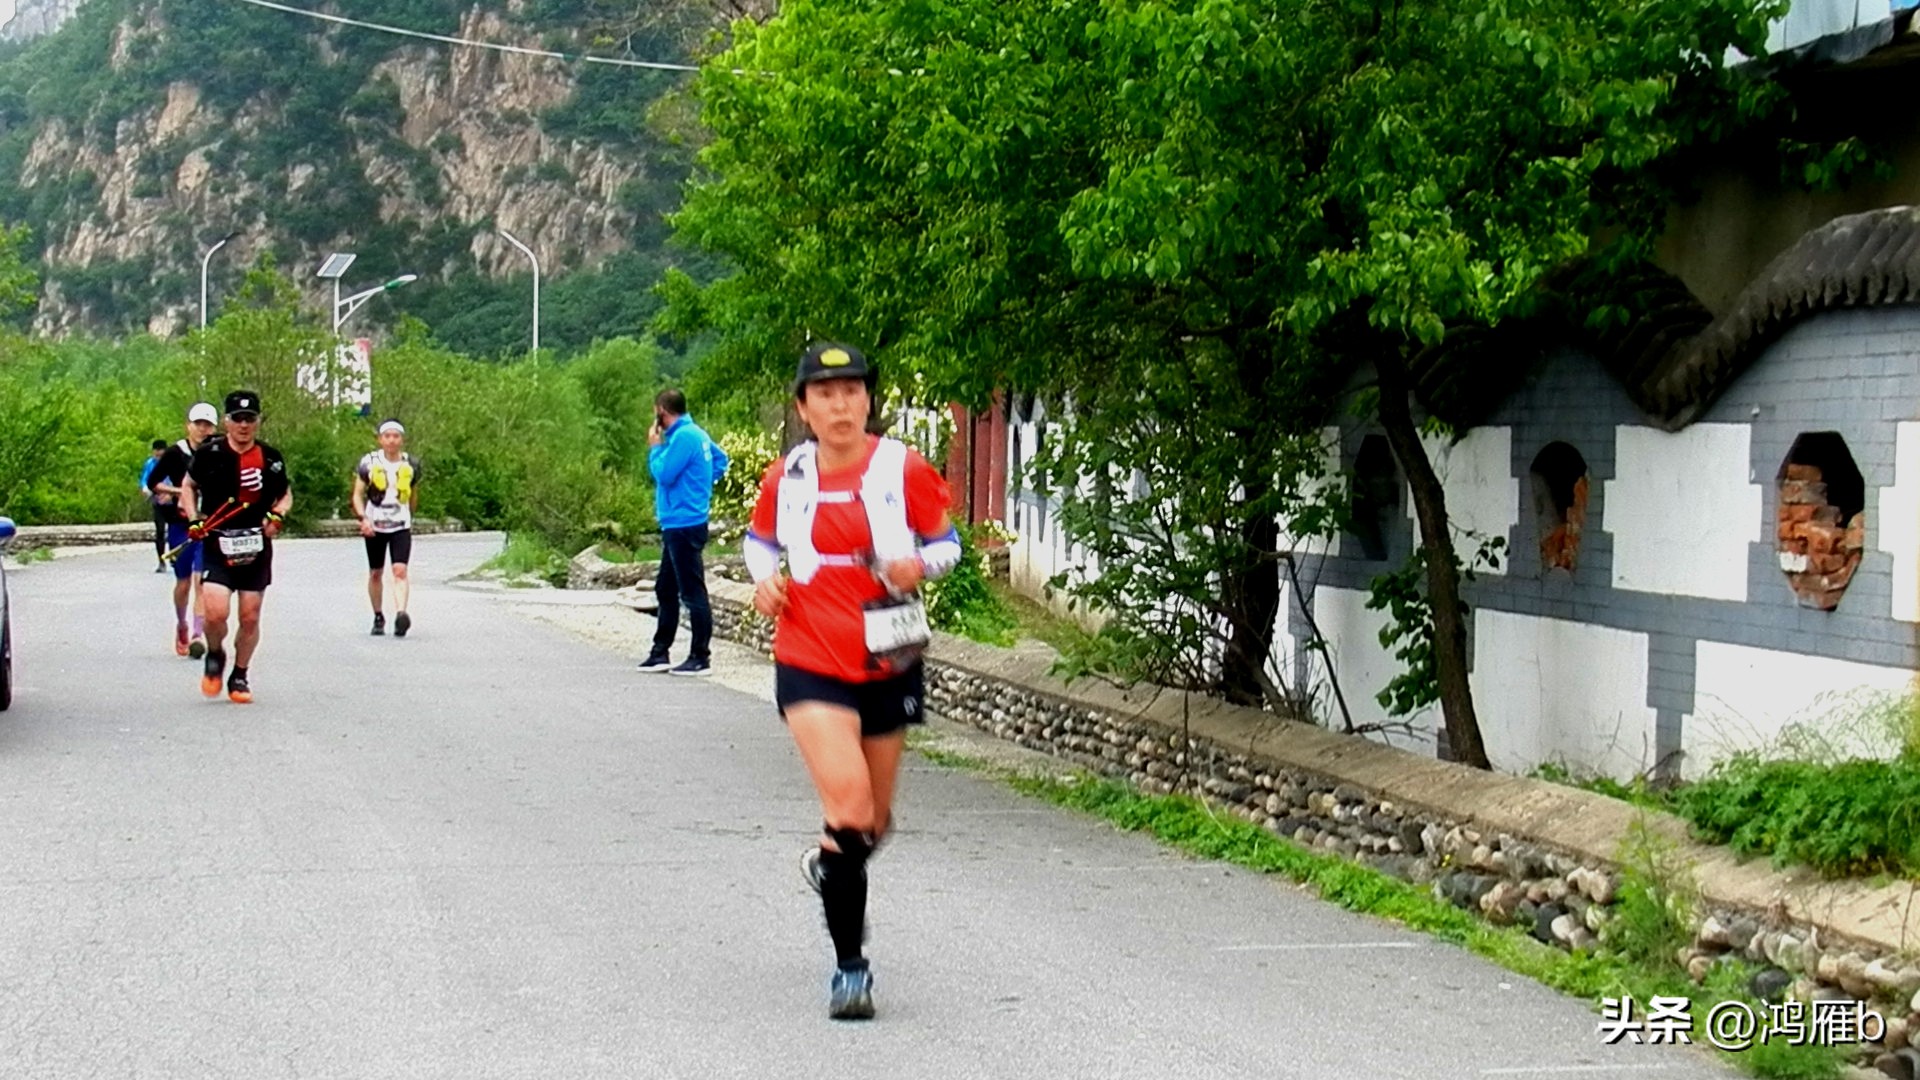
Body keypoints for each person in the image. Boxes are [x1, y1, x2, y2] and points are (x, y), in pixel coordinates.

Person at [743, 342, 963, 1020]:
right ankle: (850, 969)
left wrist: (917, 569)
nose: (840, 404)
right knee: (847, 807)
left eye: (852, 391)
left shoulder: (906, 469)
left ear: (869, 400)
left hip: (888, 655)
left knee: (871, 821)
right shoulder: (789, 475)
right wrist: (763, 582)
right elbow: (761, 542)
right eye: (824, 393)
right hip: (809, 652)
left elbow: (947, 544)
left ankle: (830, 865)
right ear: (805, 407)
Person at [179, 390, 292, 704]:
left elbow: (285, 495)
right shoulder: (209, 452)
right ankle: (215, 654)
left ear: (257, 421)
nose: (244, 425)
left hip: (255, 545)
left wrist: (277, 515)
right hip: (218, 542)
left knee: (250, 616)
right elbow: (188, 487)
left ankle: (240, 673)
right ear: (226, 421)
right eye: (237, 419)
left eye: (250, 419)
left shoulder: (270, 458)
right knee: (215, 613)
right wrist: (193, 518)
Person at [637, 388, 729, 676]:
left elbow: (664, 474)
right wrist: (700, 484)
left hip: (683, 522)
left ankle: (700, 656)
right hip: (679, 521)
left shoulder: (684, 438)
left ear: (662, 412)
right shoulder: (695, 435)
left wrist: (654, 447)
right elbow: (720, 460)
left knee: (692, 591)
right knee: (665, 588)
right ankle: (660, 651)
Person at [149, 403, 219, 658]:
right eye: (198, 424)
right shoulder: (175, 453)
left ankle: (197, 635)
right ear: (188, 425)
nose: (202, 429)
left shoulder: (219, 450)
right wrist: (181, 492)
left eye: (207, 425)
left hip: (209, 523)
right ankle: (182, 624)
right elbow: (152, 482)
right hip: (181, 524)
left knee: (202, 581)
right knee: (184, 581)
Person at [352, 419, 421, 638]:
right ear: (380, 439)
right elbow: (357, 494)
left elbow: (413, 494)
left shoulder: (411, 465)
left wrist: (410, 516)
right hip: (375, 524)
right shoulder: (369, 463)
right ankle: (378, 615)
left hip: (400, 524)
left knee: (400, 570)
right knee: (376, 573)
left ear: (402, 439)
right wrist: (363, 518)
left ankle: (401, 614)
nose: (392, 440)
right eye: (387, 436)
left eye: (396, 436)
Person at [142, 439, 168, 572]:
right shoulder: (149, 464)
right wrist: (146, 490)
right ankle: (161, 561)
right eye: (156, 452)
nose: (158, 454)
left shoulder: (171, 462)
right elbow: (144, 480)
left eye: (160, 452)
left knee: (177, 531)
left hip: (172, 501)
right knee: (160, 532)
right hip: (157, 500)